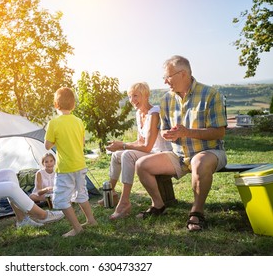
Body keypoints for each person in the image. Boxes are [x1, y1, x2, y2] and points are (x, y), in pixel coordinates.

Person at [135, 55, 227, 231]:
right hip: (178, 155)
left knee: (199, 162)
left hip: (209, 152)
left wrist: (187, 132)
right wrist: (167, 133)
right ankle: (158, 205)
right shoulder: (166, 100)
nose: (165, 81)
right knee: (142, 164)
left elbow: (219, 132)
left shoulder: (211, 95)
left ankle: (197, 212)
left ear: (183, 74)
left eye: (168, 76)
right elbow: (163, 128)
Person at [101, 82, 172, 220]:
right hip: (149, 151)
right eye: (129, 96)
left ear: (146, 95)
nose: (132, 100)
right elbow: (139, 141)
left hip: (159, 153)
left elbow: (147, 147)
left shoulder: (154, 113)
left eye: (135, 96)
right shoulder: (139, 113)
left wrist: (123, 145)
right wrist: (120, 145)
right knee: (116, 155)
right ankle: (112, 194)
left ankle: (124, 202)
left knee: (127, 154)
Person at [45, 87, 97, 237]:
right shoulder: (79, 121)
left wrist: (56, 140)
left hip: (65, 167)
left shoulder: (53, 123)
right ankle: (91, 220)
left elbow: (47, 145)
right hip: (80, 165)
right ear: (73, 105)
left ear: (56, 104)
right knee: (81, 194)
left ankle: (77, 228)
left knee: (60, 199)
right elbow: (82, 142)